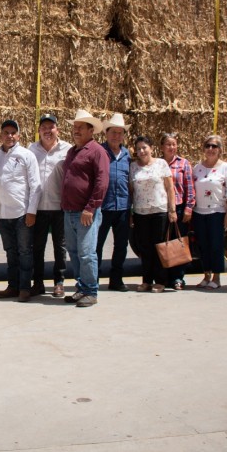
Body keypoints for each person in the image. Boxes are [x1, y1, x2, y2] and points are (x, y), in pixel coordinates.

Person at [60, 110, 109, 307]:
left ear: (91, 130)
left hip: (86, 212)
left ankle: (91, 290)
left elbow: (102, 181)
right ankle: (81, 288)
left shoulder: (97, 151)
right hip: (69, 210)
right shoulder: (72, 152)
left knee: (87, 252)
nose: (76, 130)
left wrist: (90, 207)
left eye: (80, 127)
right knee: (73, 251)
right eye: (75, 127)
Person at [0, 119, 41, 302]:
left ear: (19, 135)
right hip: (3, 213)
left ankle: (24, 288)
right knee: (10, 251)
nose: (9, 136)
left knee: (24, 252)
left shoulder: (26, 155)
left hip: (22, 213)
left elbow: (35, 185)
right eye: (6, 132)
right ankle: (12, 286)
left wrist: (31, 211)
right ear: (0, 135)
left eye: (13, 132)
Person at [28, 113, 71, 297]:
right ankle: (38, 282)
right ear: (38, 131)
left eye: (51, 127)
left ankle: (59, 281)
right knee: (37, 247)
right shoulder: (30, 150)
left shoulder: (67, 149)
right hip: (38, 208)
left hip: (59, 208)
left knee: (60, 247)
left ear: (57, 130)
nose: (47, 131)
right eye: (44, 128)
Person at [130, 135, 177, 293]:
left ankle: (160, 281)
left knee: (160, 247)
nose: (142, 151)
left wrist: (172, 210)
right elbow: (131, 190)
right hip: (140, 212)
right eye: (139, 149)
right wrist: (131, 212)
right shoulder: (133, 167)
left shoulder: (161, 164)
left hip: (159, 211)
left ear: (151, 148)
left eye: (144, 148)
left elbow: (170, 188)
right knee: (145, 248)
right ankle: (146, 280)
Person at [192, 134, 227, 289]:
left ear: (220, 150)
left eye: (214, 146)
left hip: (217, 212)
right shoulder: (197, 168)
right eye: (208, 146)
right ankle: (206, 275)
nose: (210, 149)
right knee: (203, 245)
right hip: (199, 212)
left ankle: (216, 277)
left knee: (216, 245)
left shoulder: (226, 168)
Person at [96, 113, 131, 291]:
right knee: (97, 245)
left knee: (121, 246)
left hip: (123, 207)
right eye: (113, 132)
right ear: (106, 133)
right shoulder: (99, 152)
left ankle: (116, 280)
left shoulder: (127, 154)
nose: (116, 136)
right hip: (103, 207)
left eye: (120, 132)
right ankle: (93, 279)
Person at [160, 133, 195, 290]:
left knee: (178, 243)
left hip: (179, 208)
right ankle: (164, 277)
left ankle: (178, 278)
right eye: (168, 144)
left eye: (174, 144)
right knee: (163, 243)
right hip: (161, 208)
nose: (171, 147)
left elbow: (189, 187)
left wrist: (189, 208)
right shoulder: (157, 164)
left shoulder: (183, 163)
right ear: (162, 147)